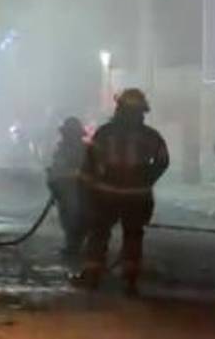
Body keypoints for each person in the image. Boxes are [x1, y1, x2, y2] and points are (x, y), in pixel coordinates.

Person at [75, 88, 169, 296]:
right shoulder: (151, 136)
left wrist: (86, 187)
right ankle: (130, 281)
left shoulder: (104, 133)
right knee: (133, 236)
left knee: (99, 233)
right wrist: (147, 178)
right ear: (142, 112)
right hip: (137, 197)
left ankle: (92, 277)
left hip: (106, 194)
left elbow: (89, 163)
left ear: (119, 109)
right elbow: (162, 161)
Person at [47, 116, 89, 261]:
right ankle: (73, 246)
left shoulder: (85, 150)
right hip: (67, 190)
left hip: (78, 190)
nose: (67, 136)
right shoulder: (62, 149)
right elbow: (55, 170)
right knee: (69, 219)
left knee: (75, 219)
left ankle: (74, 247)